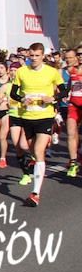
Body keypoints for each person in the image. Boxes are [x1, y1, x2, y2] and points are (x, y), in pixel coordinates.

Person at [11, 42, 65, 207]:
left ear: (43, 56)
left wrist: (53, 98)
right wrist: (22, 99)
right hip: (27, 116)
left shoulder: (51, 72)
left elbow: (64, 90)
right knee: (28, 148)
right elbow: (13, 93)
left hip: (45, 116)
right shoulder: (21, 71)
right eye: (31, 55)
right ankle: (37, 160)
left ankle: (35, 194)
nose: (34, 58)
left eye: (37, 56)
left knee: (39, 151)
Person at [64, 48, 82, 177]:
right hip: (73, 105)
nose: (80, 56)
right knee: (71, 133)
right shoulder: (71, 71)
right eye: (79, 54)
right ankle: (73, 162)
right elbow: (68, 87)